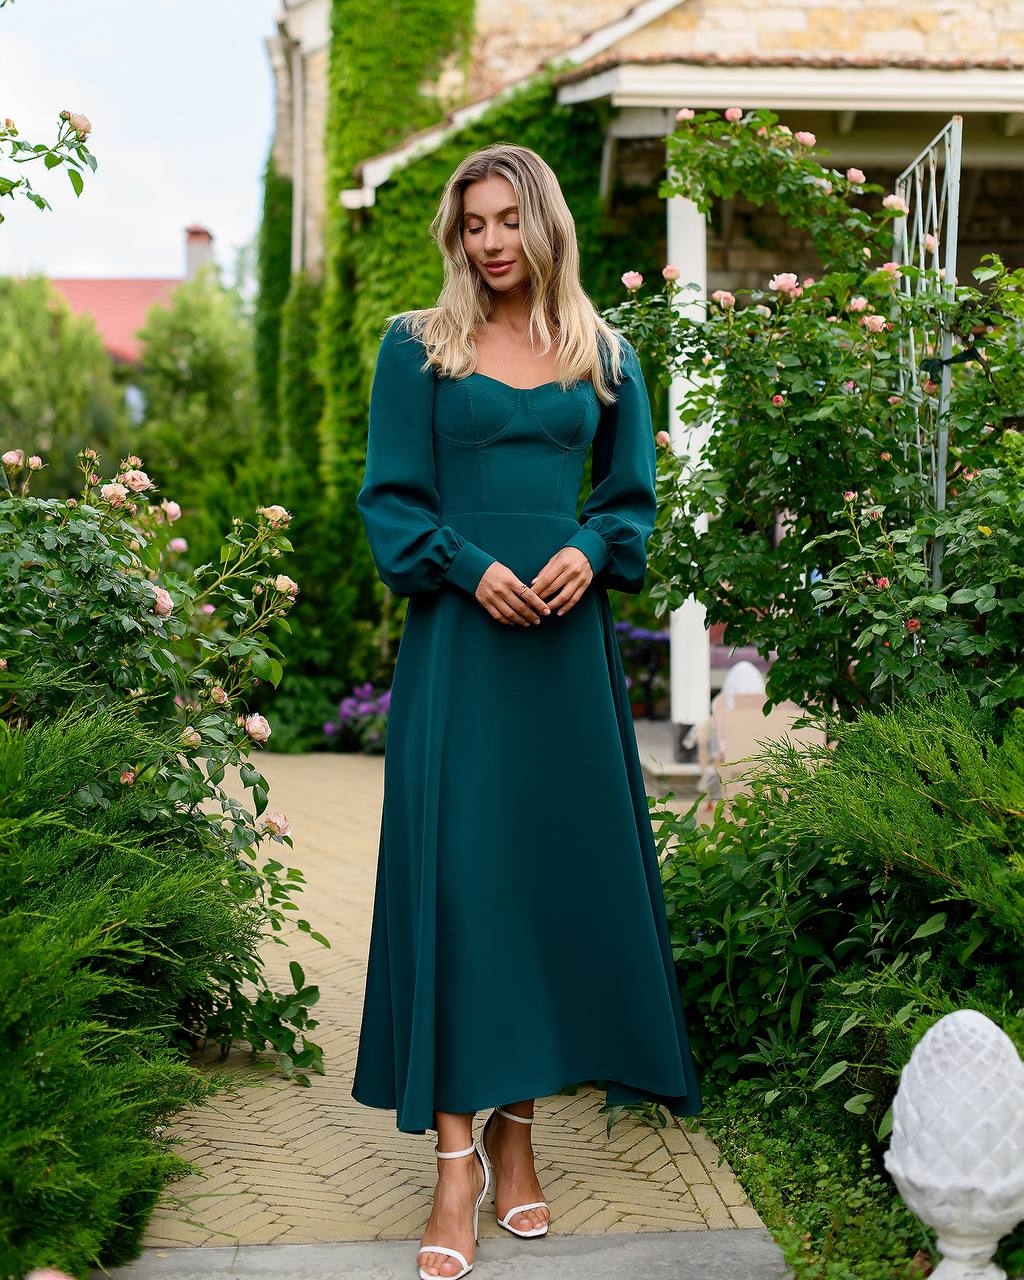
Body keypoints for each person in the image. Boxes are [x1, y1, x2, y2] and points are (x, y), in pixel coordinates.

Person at [351, 142, 702, 1280]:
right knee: (460, 886)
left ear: (543, 224)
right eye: (472, 225)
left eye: (508, 221)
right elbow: (391, 502)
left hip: (563, 655)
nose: (490, 243)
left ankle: (517, 1134)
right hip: (460, 647)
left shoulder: (606, 352)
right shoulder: (417, 347)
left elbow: (630, 497)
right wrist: (460, 563)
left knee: (542, 890)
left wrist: (590, 548)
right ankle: (455, 1160)